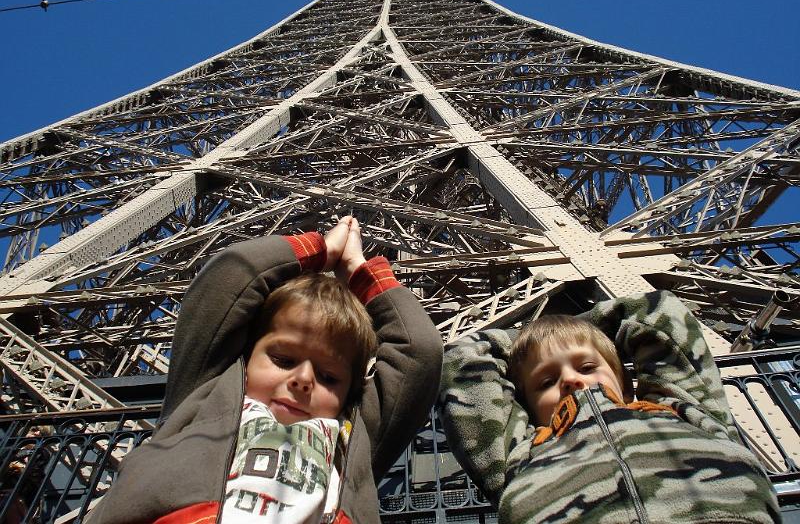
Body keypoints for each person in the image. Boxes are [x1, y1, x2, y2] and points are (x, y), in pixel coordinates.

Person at [87, 216, 443, 524]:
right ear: (247, 353)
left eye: (329, 377)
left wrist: (359, 271)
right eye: (283, 360)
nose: (303, 379)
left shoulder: (353, 437)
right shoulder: (208, 395)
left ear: (349, 390)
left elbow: (420, 353)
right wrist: (319, 249)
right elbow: (229, 278)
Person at [439, 290, 780, 523]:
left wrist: (558, 333)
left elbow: (658, 311)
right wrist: (533, 341)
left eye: (586, 367)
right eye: (545, 381)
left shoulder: (679, 410)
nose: (571, 379)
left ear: (627, 381)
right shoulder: (516, 457)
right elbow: (462, 361)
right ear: (523, 407)